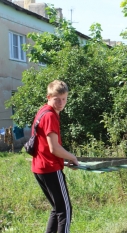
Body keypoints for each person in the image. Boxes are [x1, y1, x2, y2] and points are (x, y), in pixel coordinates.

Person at [31, 80, 79, 233]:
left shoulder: (43, 111)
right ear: (48, 97)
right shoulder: (50, 116)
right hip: (50, 168)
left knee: (56, 208)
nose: (61, 103)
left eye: (64, 99)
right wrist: (72, 157)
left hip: (39, 168)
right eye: (57, 99)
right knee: (65, 210)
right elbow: (54, 148)